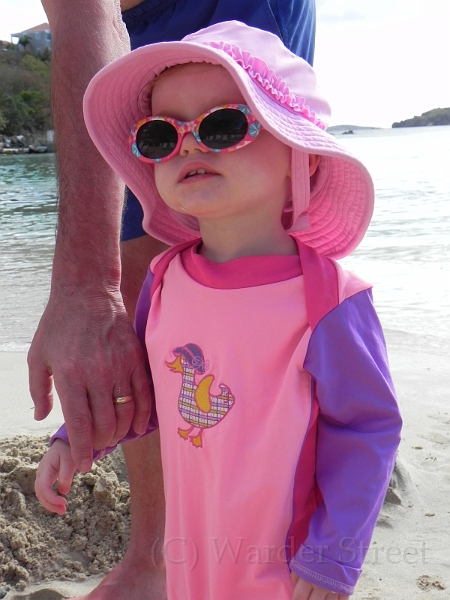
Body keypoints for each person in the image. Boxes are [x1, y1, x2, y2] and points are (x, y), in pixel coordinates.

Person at [35, 21, 402, 599]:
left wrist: (333, 554)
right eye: (161, 134)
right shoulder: (164, 280)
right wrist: (76, 438)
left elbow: (366, 429)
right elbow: (143, 391)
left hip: (281, 567)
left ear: (302, 158)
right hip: (192, 550)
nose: (188, 145)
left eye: (223, 126)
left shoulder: (329, 302)